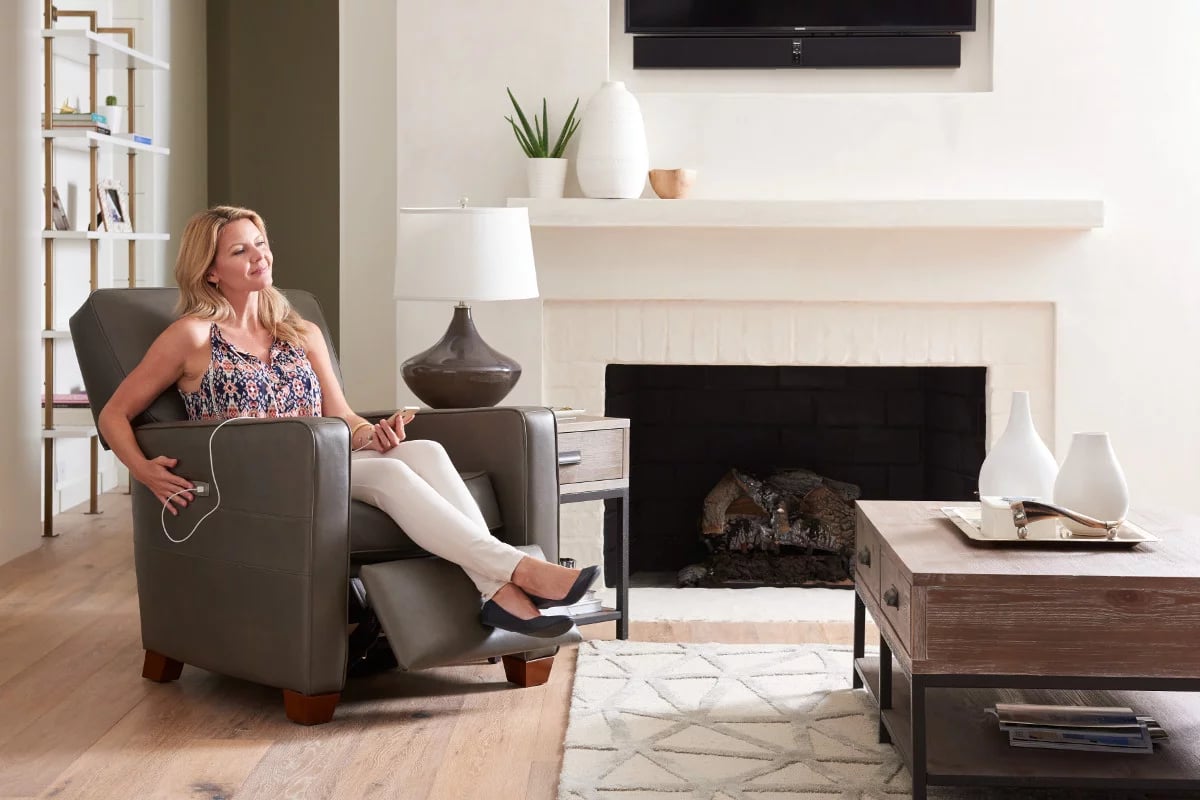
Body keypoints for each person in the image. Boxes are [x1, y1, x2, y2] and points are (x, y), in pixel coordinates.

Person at [98, 205, 598, 639]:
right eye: (240, 252)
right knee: (390, 472)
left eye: (261, 243)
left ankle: (499, 591)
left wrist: (371, 434)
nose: (260, 257)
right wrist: (143, 471)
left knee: (423, 451)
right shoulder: (192, 336)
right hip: (257, 474)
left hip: (326, 459)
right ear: (210, 271)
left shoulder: (300, 331)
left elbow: (343, 415)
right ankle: (519, 570)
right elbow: (114, 414)